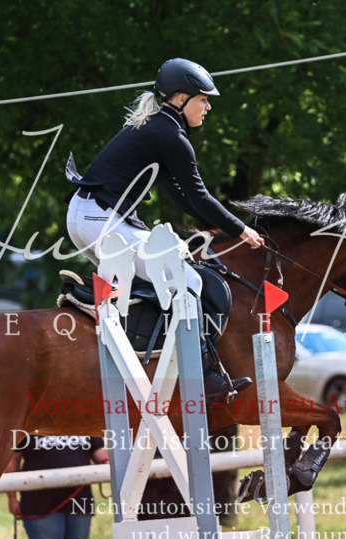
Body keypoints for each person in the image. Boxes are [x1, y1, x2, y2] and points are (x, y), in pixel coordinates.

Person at [67, 58, 262, 403]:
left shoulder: (158, 128)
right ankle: (202, 376)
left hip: (84, 217)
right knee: (190, 281)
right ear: (182, 98)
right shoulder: (171, 135)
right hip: (104, 222)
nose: (208, 106)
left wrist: (217, 226)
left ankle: (139, 341)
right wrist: (239, 229)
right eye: (203, 99)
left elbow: (179, 193)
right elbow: (198, 195)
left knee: (153, 279)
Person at [6, 434, 109, 539]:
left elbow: (99, 452)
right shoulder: (30, 422)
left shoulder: (81, 420)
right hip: (39, 501)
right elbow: (13, 459)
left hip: (78, 498)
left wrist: (107, 463)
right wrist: (12, 496)